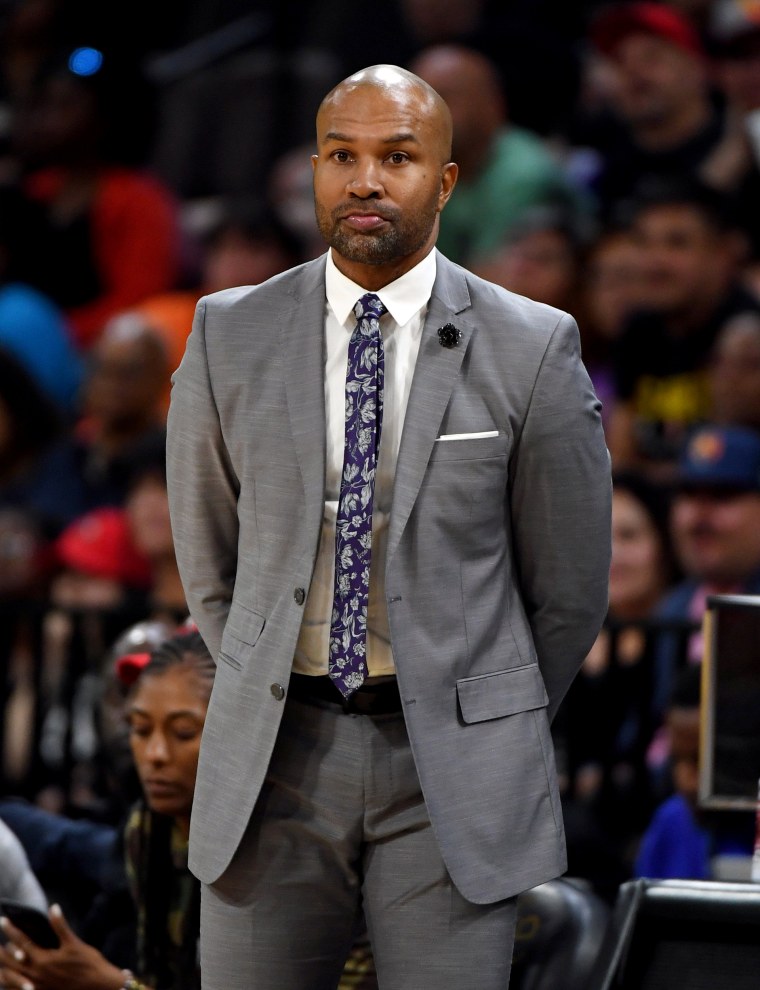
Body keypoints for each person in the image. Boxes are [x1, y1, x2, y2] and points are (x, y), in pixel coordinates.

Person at [166, 63, 611, 989]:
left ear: (445, 180)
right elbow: (208, 560)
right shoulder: (226, 331)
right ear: (317, 170)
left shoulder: (534, 344)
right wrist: (260, 676)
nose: (365, 180)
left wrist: (481, 705)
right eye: (343, 156)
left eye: (397, 156)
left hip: (448, 768)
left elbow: (569, 591)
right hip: (273, 759)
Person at [408, 45, 591, 268]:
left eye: (443, 97)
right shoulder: (424, 171)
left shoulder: (524, 173)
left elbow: (491, 282)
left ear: (491, 103)